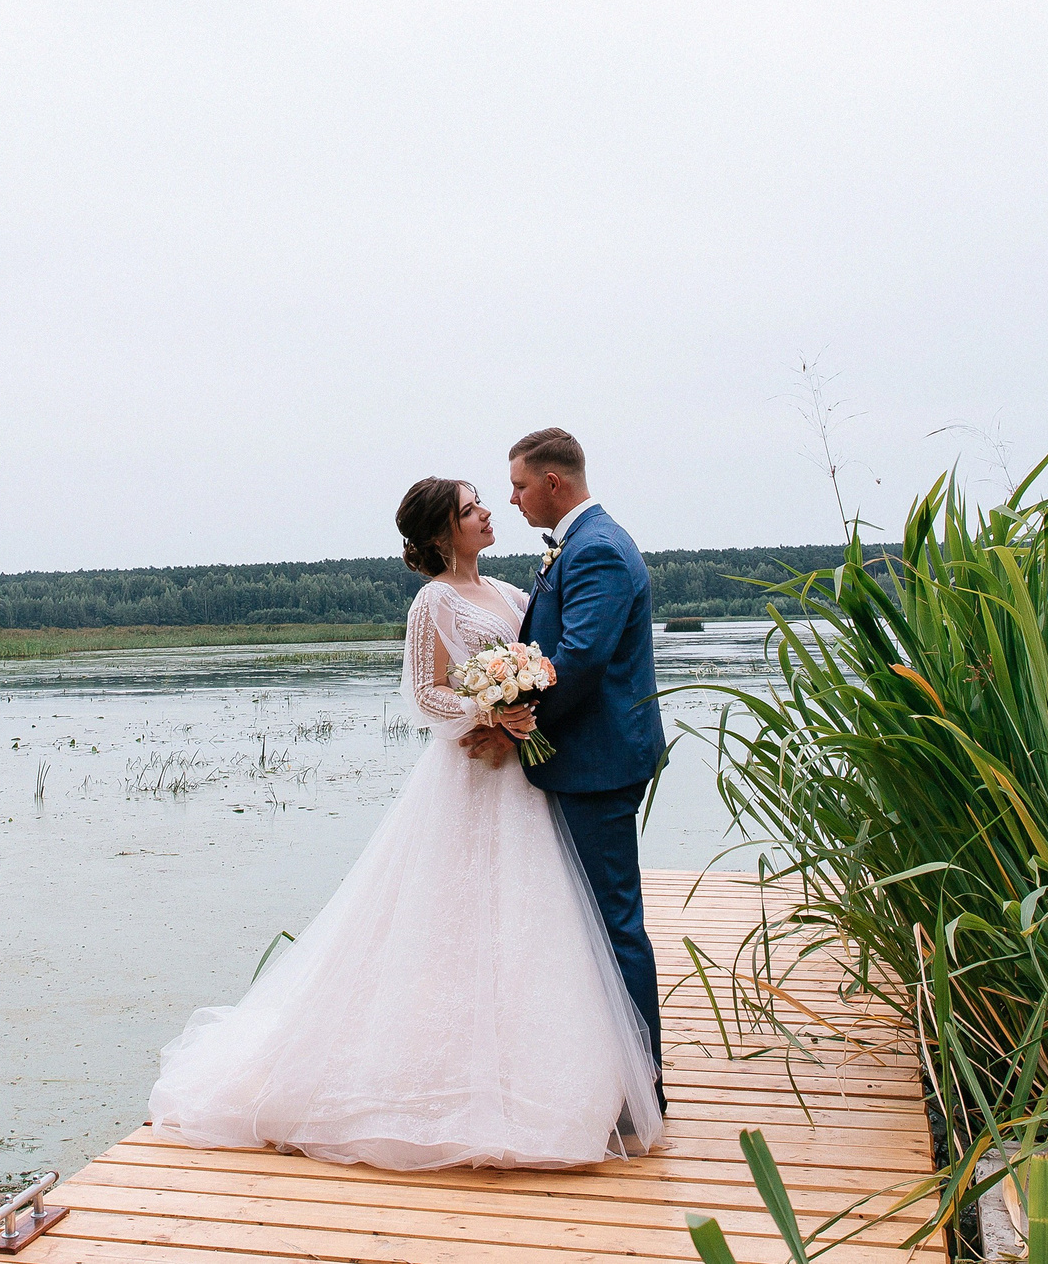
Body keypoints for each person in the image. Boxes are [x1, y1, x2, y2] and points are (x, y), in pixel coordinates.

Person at [144, 472, 665, 1170]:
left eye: (484, 502)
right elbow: (424, 694)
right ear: (445, 531)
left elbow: (549, 666)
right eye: (471, 509)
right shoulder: (434, 601)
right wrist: (486, 711)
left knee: (531, 924)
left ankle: (549, 1079)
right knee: (449, 924)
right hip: (469, 779)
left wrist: (519, 713)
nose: (488, 512)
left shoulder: (512, 593)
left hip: (523, 782)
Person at [465, 427, 666, 1089]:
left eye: (519, 485)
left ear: (552, 482)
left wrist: (519, 728)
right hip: (590, 757)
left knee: (613, 925)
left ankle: (642, 1088)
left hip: (598, 764)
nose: (512, 499)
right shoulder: (581, 543)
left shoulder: (597, 549)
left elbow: (579, 658)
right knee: (596, 922)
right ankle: (610, 1074)